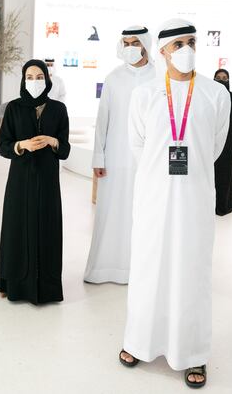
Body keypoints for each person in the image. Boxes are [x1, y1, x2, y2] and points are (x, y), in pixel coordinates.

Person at [119, 19, 230, 389]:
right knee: (150, 267)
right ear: (163, 50)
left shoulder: (216, 94)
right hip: (153, 196)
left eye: (192, 42)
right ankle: (139, 341)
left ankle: (192, 353)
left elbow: (213, 147)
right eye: (179, 43)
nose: (187, 49)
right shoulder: (145, 94)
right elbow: (138, 145)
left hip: (195, 198)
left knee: (191, 272)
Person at [84, 26, 156, 285]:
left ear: (146, 44)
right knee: (112, 211)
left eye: (135, 42)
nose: (130, 47)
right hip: (115, 157)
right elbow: (103, 120)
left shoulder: (160, 76)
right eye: (126, 43)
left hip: (149, 158)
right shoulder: (113, 78)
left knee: (146, 213)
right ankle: (108, 268)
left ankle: (143, 271)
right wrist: (98, 158)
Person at [0, 60, 70, 304]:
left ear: (48, 80)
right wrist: (22, 145)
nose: (35, 81)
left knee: (47, 227)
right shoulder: (14, 108)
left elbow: (66, 149)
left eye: (40, 77)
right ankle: (12, 282)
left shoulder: (58, 109)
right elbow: (3, 146)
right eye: (30, 77)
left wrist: (53, 141)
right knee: (17, 227)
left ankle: (46, 288)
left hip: (48, 180)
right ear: (23, 79)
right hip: (20, 179)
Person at [213, 69, 232, 216]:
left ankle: (224, 206)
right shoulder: (209, 97)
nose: (221, 80)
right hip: (210, 137)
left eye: (225, 78)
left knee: (224, 170)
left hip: (228, 139)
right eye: (218, 78)